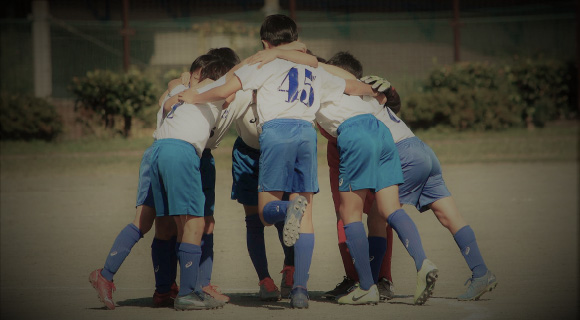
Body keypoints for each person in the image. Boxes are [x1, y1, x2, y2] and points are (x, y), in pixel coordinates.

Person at [178, 14, 379, 309]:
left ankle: (287, 210)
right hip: (306, 136)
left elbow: (223, 90)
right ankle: (299, 290)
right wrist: (375, 90)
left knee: (264, 212)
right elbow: (350, 86)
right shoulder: (311, 68)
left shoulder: (263, 62)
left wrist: (193, 96)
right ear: (294, 40)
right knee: (306, 216)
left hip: (276, 135)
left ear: (265, 42)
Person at [88, 56, 230, 310]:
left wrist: (181, 82)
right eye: (196, 74)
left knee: (154, 224)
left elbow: (169, 94)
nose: (197, 78)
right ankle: (188, 292)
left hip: (156, 153)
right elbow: (225, 89)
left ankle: (143, 285)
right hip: (175, 152)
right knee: (190, 223)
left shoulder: (179, 88)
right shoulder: (204, 89)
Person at [314, 51, 438, 305]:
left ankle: (368, 284)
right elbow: (385, 100)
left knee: (349, 215)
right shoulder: (358, 89)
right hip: (382, 134)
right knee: (387, 210)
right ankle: (422, 262)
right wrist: (389, 91)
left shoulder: (316, 80)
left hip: (354, 136)